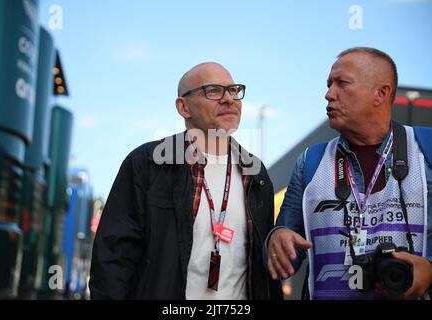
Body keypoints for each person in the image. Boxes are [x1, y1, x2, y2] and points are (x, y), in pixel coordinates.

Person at [89, 62, 283, 300]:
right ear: (183, 107)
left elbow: (266, 270)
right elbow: (112, 260)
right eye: (213, 91)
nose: (229, 99)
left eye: (234, 90)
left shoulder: (255, 174)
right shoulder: (147, 164)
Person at [267, 47, 432, 300]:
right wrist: (276, 239)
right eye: (329, 84)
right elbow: (285, 256)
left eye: (341, 84)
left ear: (381, 93)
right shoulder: (309, 162)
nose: (328, 94)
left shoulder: (426, 148)